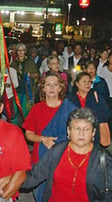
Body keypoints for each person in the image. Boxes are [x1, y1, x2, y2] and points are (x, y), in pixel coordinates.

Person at [21, 108, 112, 201]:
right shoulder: (57, 151)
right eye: (77, 128)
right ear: (69, 131)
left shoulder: (102, 158)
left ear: (93, 133)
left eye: (86, 129)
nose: (81, 133)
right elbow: (35, 175)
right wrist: (11, 181)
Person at [22, 71, 77, 202]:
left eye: (55, 85)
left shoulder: (69, 108)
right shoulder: (36, 109)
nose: (51, 88)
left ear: (60, 88)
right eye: (48, 85)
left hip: (64, 160)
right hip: (41, 160)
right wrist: (42, 139)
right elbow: (28, 134)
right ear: (43, 88)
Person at [66, 72, 111, 147]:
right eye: (84, 82)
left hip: (93, 135)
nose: (87, 84)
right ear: (77, 84)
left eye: (89, 81)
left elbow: (107, 113)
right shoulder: (70, 98)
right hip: (76, 134)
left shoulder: (96, 96)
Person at [10, 43, 40, 118]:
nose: (20, 52)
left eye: (22, 50)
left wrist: (30, 75)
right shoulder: (14, 63)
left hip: (27, 91)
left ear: (25, 51)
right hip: (16, 91)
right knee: (14, 112)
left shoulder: (30, 62)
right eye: (19, 50)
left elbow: (37, 74)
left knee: (27, 112)